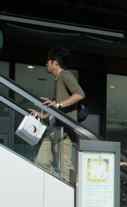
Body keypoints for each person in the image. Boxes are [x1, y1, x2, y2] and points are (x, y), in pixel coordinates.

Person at [33, 47, 86, 181]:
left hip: (65, 132)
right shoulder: (57, 79)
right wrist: (43, 115)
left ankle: (67, 188)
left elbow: (80, 94)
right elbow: (56, 108)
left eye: (48, 61)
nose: (46, 63)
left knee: (65, 171)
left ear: (55, 63)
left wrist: (58, 104)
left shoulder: (65, 75)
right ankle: (56, 184)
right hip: (56, 129)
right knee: (41, 161)